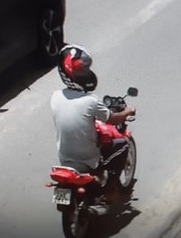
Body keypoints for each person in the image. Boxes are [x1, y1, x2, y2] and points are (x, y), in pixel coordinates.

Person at [50, 44, 135, 200]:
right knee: (122, 144)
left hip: (64, 157)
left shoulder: (55, 97)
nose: (85, 73)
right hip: (88, 158)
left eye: (84, 69)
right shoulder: (91, 101)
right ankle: (110, 189)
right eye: (81, 70)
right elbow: (113, 118)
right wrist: (128, 111)